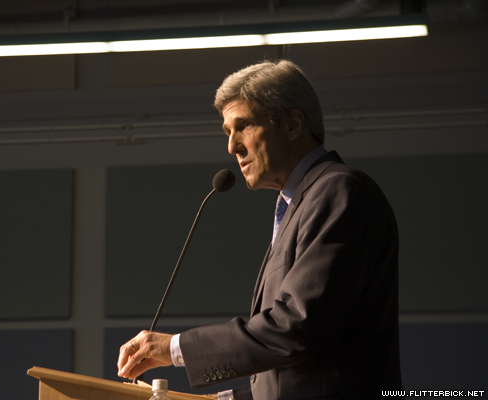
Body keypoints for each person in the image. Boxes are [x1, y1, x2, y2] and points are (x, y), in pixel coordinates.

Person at [117, 60, 402, 400]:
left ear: (293, 123)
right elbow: (293, 374)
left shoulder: (339, 191)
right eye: (227, 132)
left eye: (244, 126)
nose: (232, 146)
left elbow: (297, 326)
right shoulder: (298, 204)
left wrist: (176, 347)